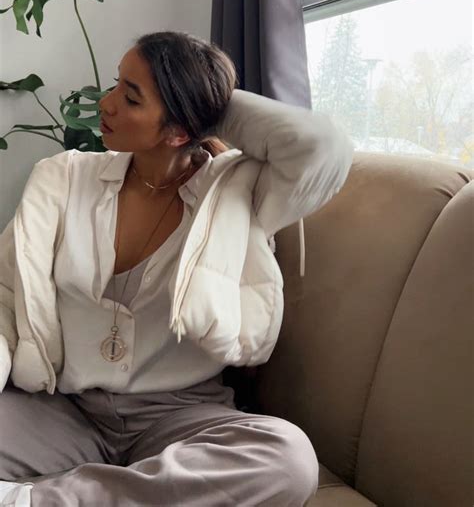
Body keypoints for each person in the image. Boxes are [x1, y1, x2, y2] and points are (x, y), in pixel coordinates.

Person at [0, 31, 354, 507]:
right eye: (115, 85)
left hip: (178, 418)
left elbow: (320, 147)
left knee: (288, 459)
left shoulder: (236, 195)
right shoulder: (63, 178)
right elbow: (6, 294)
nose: (105, 104)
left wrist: (206, 103)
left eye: (130, 97)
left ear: (179, 130)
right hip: (65, 410)